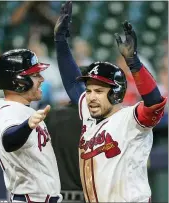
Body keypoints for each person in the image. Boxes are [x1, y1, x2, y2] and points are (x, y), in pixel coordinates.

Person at [54, 1, 167, 202]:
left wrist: (134, 63)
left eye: (98, 90)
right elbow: (73, 84)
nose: (91, 96)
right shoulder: (90, 115)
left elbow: (154, 101)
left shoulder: (129, 120)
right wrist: (60, 40)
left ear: (115, 94)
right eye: (89, 90)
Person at [0, 49, 62, 203]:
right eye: (35, 75)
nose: (41, 79)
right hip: (34, 199)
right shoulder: (12, 112)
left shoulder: (2, 108)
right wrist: (27, 126)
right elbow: (9, 141)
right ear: (20, 82)